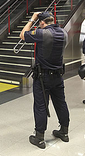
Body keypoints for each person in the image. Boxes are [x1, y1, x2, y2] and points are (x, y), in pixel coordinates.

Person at [20, 12, 70, 149]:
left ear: (42, 22)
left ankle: (39, 137)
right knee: (60, 103)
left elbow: (23, 35)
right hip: (58, 76)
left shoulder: (42, 33)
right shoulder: (64, 33)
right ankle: (64, 132)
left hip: (43, 77)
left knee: (41, 105)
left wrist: (32, 19)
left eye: (39, 23)